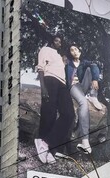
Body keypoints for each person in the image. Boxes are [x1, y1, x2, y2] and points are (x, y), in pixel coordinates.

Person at [35, 35, 74, 163]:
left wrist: (63, 63)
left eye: (60, 41)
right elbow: (40, 68)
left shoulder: (59, 56)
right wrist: (43, 88)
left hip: (62, 84)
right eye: (57, 40)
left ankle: (46, 143)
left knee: (69, 114)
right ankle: (47, 147)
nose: (59, 43)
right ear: (52, 41)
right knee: (49, 113)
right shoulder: (45, 49)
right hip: (50, 79)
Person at [65, 43, 102, 155]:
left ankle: (93, 96)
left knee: (91, 68)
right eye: (72, 50)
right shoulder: (68, 64)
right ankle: (85, 141)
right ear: (70, 53)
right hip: (73, 87)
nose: (74, 51)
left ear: (79, 51)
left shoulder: (84, 63)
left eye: (76, 49)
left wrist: (95, 79)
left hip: (83, 86)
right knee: (83, 103)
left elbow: (95, 65)